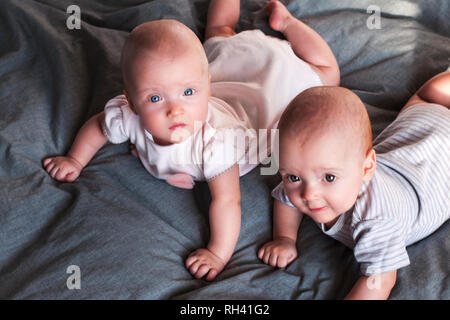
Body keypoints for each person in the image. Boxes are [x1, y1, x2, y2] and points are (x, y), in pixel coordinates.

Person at [43, 0, 339, 281]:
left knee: (328, 75)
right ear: (131, 101)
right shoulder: (128, 115)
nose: (176, 110)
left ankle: (286, 22)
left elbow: (227, 200)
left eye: (188, 93)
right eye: (155, 98)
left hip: (266, 96)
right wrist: (75, 159)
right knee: (221, 35)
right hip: (230, 71)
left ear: (206, 87)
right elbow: (98, 127)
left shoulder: (217, 142)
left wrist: (217, 253)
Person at [258, 71, 450, 299]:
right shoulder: (305, 175)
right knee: (426, 98)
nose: (309, 194)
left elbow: (379, 281)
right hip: (416, 136)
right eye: (292, 177)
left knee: (429, 97)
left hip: (436, 156)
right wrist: (285, 238)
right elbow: (285, 199)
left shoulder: (377, 219)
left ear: (367, 169)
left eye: (329, 177)